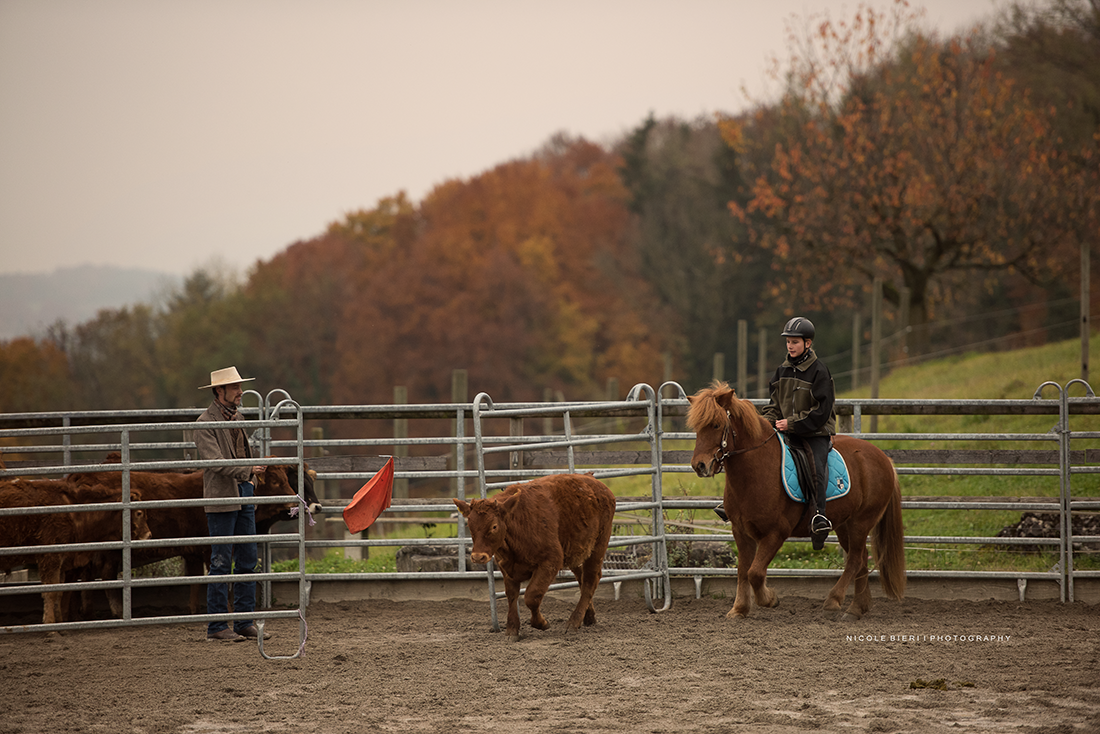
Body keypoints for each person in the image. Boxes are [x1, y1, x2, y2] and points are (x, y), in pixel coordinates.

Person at [193, 366, 272, 642]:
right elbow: (216, 463)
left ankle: (243, 621)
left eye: (239, 387)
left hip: (243, 492)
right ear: (220, 391)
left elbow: (235, 457)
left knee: (247, 557)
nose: (240, 392)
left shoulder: (238, 418)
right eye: (235, 387)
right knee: (221, 560)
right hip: (223, 496)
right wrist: (248, 470)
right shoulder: (205, 424)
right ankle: (217, 625)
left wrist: (249, 478)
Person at [760, 317, 837, 550]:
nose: (790, 346)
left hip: (815, 432)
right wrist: (767, 423)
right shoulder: (782, 370)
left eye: (795, 342)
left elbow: (822, 411)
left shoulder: (819, 371)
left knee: (816, 467)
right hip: (786, 429)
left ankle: (819, 517)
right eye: (788, 342)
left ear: (808, 343)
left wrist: (791, 424)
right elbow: (773, 404)